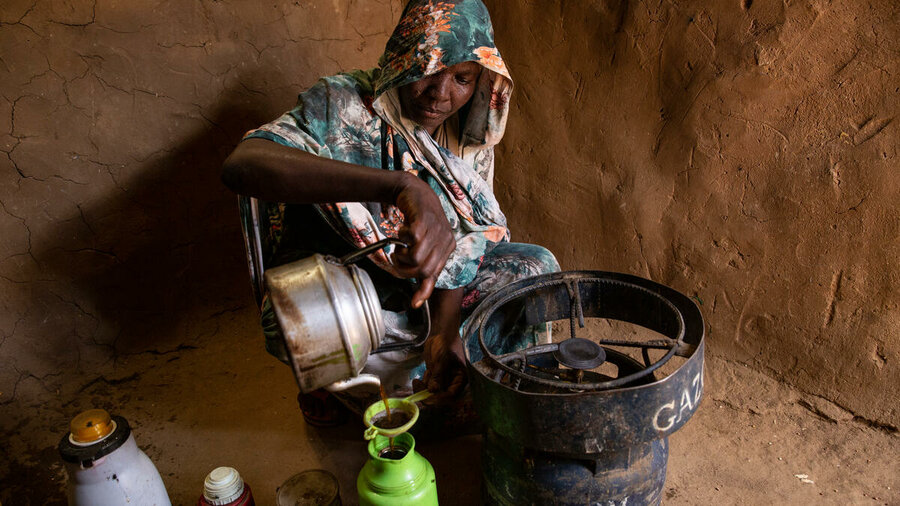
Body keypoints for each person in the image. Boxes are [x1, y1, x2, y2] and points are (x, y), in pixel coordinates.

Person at [222, 0, 558, 426]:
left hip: (423, 292)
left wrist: (443, 330)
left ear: (481, 81)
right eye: (426, 70)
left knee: (532, 270)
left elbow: (465, 243)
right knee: (307, 320)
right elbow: (243, 164)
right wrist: (402, 185)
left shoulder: (465, 137)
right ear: (400, 59)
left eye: (462, 78)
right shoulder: (344, 104)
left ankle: (452, 384)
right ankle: (343, 394)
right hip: (357, 287)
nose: (440, 94)